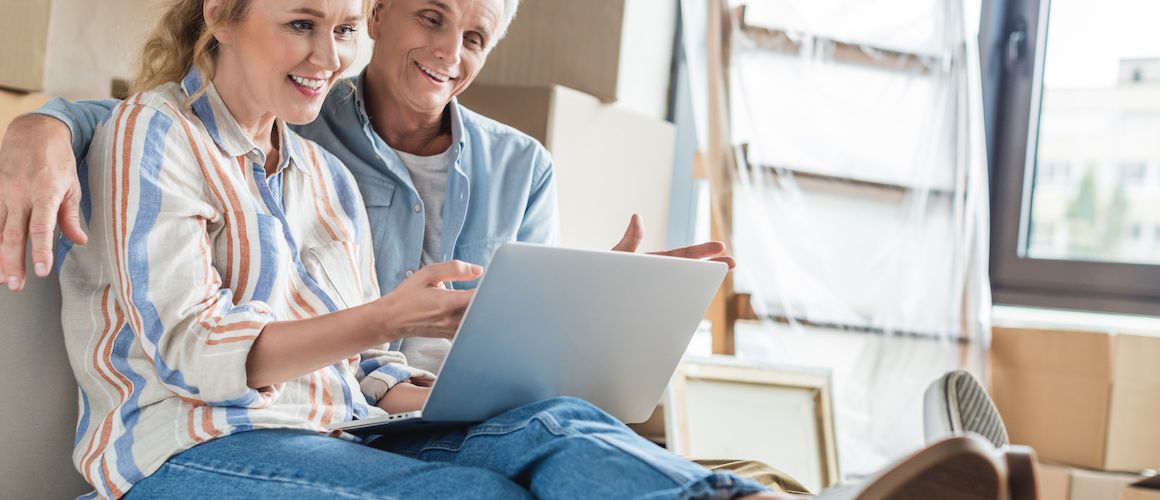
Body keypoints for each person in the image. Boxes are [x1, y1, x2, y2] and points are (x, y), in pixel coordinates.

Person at [26, 0, 785, 497]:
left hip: (338, 432)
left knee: (555, 425)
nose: (328, 55)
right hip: (187, 449)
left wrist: (481, 403)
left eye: (343, 29)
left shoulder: (320, 176)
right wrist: (390, 318)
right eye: (301, 23)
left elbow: (370, 373)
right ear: (222, 14)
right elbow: (191, 351)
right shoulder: (151, 134)